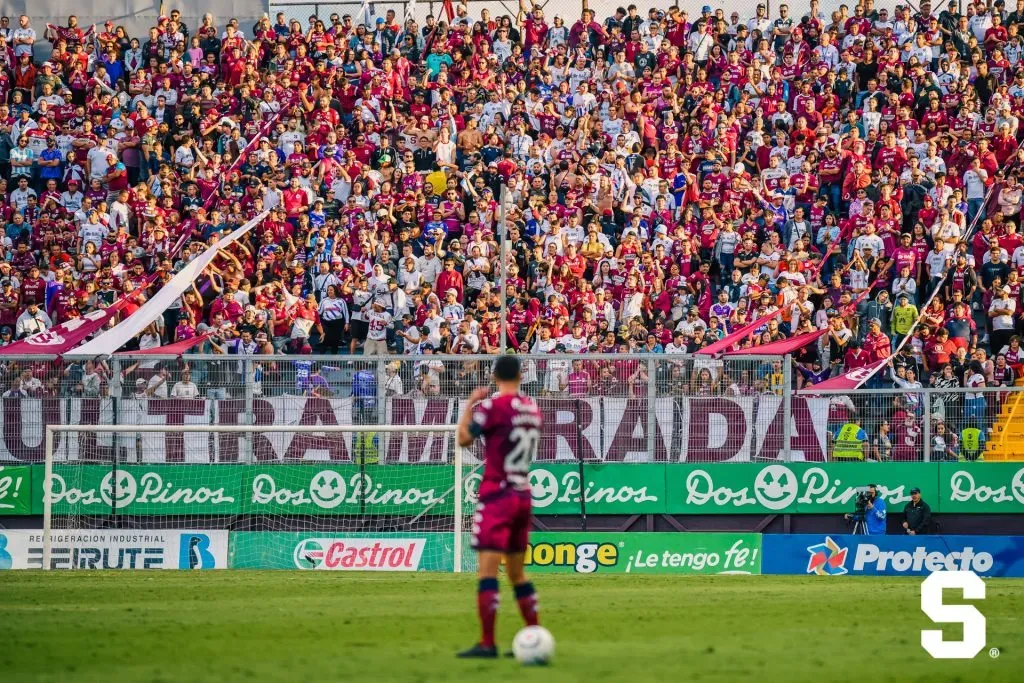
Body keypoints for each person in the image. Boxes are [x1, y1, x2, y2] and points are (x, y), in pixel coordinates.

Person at [455, 355, 542, 659]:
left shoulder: (493, 407)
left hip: (498, 494)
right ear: (520, 375)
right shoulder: (532, 408)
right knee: (517, 574)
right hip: (523, 493)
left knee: (487, 573)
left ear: (494, 377)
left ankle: (488, 643)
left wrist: (469, 404)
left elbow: (464, 439)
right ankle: (535, 634)